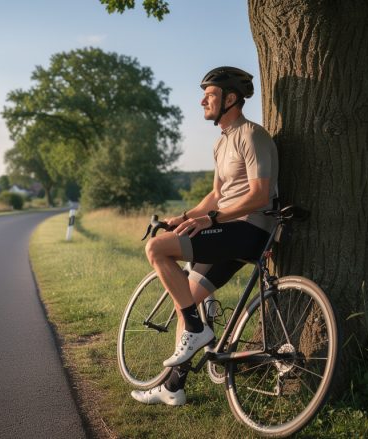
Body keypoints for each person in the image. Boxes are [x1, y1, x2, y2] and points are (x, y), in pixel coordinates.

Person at [131, 66, 279, 406]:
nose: (202, 101)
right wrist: (184, 218)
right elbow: (216, 195)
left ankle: (197, 330)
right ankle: (174, 387)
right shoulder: (221, 142)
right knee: (185, 299)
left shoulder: (252, 136)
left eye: (210, 95)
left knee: (157, 249)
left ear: (230, 99)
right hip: (227, 229)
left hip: (248, 230)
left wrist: (212, 218)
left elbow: (259, 195)